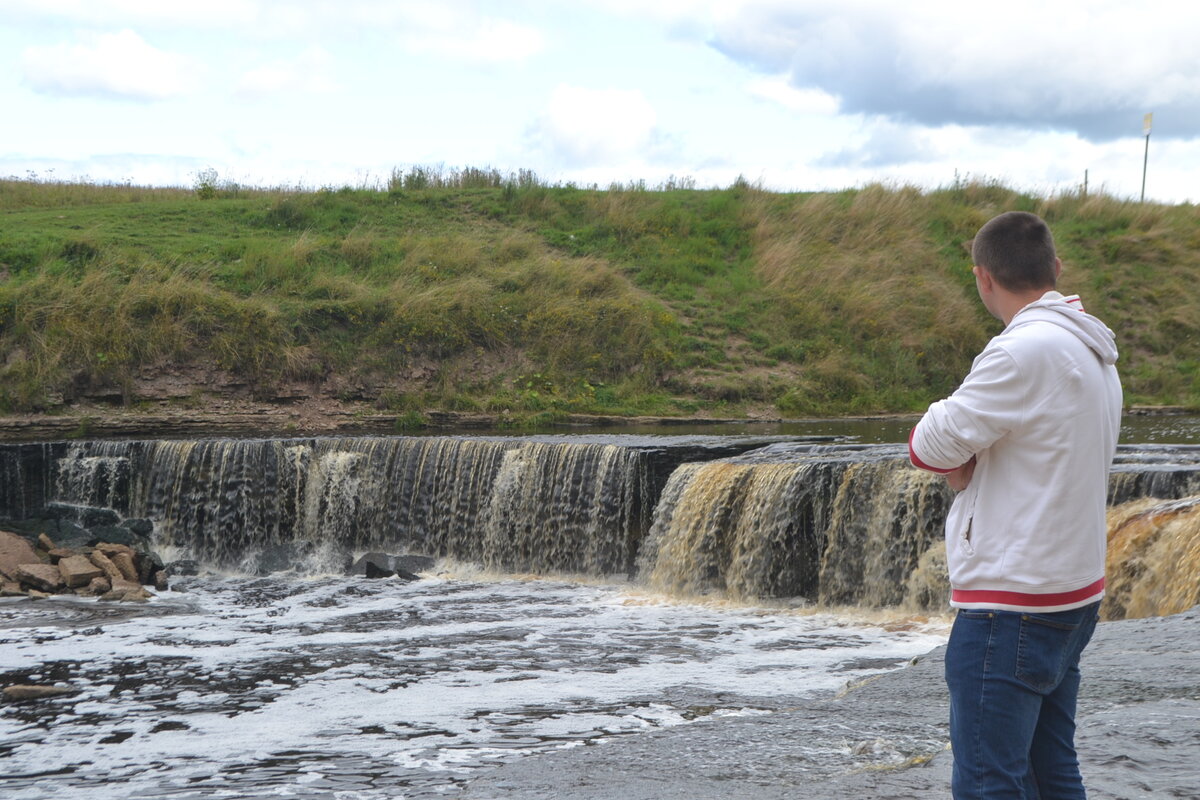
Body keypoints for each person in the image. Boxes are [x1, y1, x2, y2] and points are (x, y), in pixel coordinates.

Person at [908, 211, 1122, 799]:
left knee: (987, 781)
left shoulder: (1018, 353)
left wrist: (956, 451)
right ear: (1055, 268)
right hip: (1071, 595)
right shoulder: (1094, 350)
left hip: (1011, 602)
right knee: (1053, 772)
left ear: (983, 278)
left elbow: (928, 446)